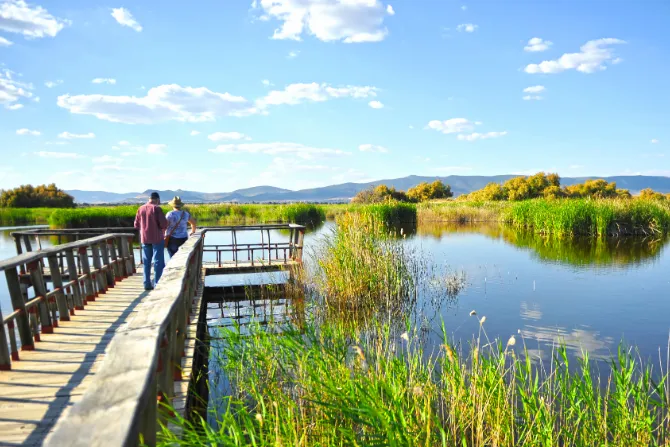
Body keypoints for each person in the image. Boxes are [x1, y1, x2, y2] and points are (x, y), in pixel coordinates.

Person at [134, 192, 167, 291]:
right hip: (157, 238)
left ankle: (147, 284)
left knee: (146, 262)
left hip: (145, 238)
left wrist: (144, 228)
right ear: (158, 199)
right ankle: (157, 283)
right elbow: (163, 224)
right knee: (158, 261)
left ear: (149, 199)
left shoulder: (140, 208)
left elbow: (136, 225)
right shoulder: (156, 208)